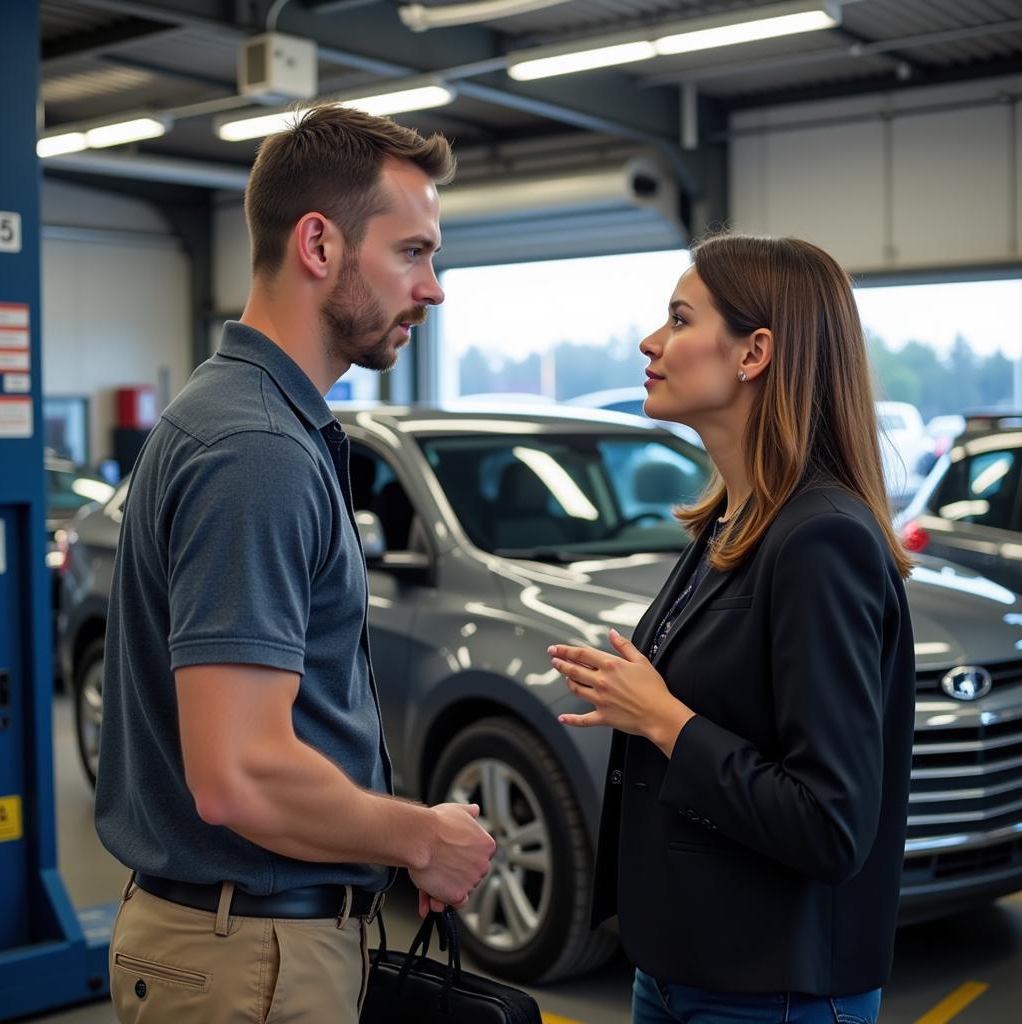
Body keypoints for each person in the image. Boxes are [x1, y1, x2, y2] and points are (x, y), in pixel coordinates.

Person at [96, 105, 495, 1024]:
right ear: (319, 243)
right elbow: (237, 772)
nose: (432, 288)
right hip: (250, 961)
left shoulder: (257, 418)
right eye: (412, 252)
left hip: (249, 944)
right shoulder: (256, 448)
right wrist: (418, 837)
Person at [548, 234, 915, 1024]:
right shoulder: (731, 521)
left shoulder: (822, 540)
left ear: (754, 353)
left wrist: (664, 720)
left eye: (679, 319)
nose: (650, 343)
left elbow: (832, 822)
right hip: (682, 967)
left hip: (774, 990)